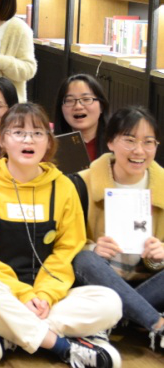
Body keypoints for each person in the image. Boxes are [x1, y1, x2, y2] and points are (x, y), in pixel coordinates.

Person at [0, 103, 123, 366]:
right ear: (2, 140)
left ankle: (11, 335)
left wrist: (44, 295)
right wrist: (23, 295)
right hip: (3, 293)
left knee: (110, 303)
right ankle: (63, 347)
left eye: (37, 133)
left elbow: (67, 250)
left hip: (50, 298)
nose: (28, 140)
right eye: (18, 132)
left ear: (48, 142)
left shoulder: (63, 187)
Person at [71, 107, 164, 349]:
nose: (139, 150)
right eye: (129, 140)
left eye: (148, 142)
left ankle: (122, 317)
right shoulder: (81, 183)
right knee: (84, 259)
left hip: (148, 284)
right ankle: (156, 323)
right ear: (111, 142)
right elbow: (65, 242)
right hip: (101, 284)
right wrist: (93, 248)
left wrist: (160, 255)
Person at [54, 74, 110, 161]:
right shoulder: (49, 147)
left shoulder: (117, 144)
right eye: (69, 100)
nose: (78, 106)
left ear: (101, 106)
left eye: (86, 99)